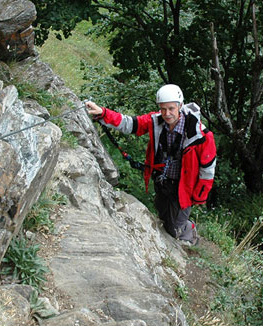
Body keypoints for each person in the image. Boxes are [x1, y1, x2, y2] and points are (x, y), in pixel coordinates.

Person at [85, 84, 216, 246]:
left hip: (184, 187)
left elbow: (208, 168)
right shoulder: (156, 121)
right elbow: (129, 124)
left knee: (175, 229)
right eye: (163, 109)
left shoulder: (200, 134)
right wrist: (103, 114)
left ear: (180, 106)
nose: (167, 114)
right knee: (163, 214)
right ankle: (178, 227)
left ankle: (190, 233)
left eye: (171, 109)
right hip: (163, 180)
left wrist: (200, 195)